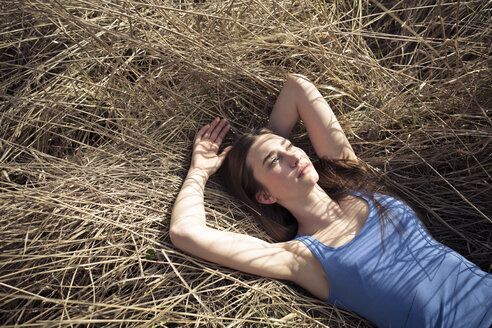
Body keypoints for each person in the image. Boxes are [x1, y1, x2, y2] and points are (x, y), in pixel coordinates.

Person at [170, 74, 492, 327]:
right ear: (266, 196)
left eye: (288, 145)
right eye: (274, 161)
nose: (293, 155)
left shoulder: (354, 180)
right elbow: (185, 232)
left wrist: (267, 143)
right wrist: (200, 172)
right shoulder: (302, 257)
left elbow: (297, 88)